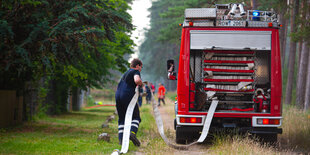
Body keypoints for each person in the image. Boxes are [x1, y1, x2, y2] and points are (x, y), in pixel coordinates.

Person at [115, 58, 143, 147]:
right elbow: (137, 80)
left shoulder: (125, 73)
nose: (141, 69)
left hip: (118, 96)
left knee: (122, 118)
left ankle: (121, 139)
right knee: (136, 117)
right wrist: (142, 85)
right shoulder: (135, 72)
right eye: (141, 67)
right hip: (127, 95)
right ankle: (132, 133)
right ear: (137, 66)